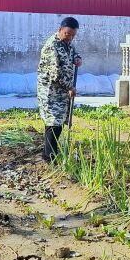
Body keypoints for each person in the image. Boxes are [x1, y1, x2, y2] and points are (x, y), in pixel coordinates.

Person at [37, 17, 83, 162]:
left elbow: (73, 52)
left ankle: (48, 154)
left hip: (62, 91)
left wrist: (77, 58)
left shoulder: (67, 44)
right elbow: (55, 75)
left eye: (73, 35)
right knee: (54, 123)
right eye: (67, 34)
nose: (70, 37)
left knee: (57, 122)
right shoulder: (52, 47)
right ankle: (50, 158)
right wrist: (70, 87)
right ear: (60, 30)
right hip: (51, 92)